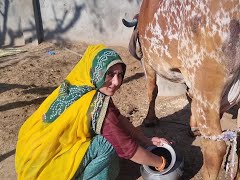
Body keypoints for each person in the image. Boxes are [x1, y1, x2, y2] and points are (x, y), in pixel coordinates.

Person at [15, 44, 169, 180]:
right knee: (108, 144)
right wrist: (161, 163)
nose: (116, 82)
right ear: (96, 71)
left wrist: (145, 140)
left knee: (105, 132)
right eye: (110, 74)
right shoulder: (95, 103)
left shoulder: (79, 83)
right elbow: (127, 148)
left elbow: (117, 117)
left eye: (120, 75)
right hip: (46, 169)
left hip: (31, 157)